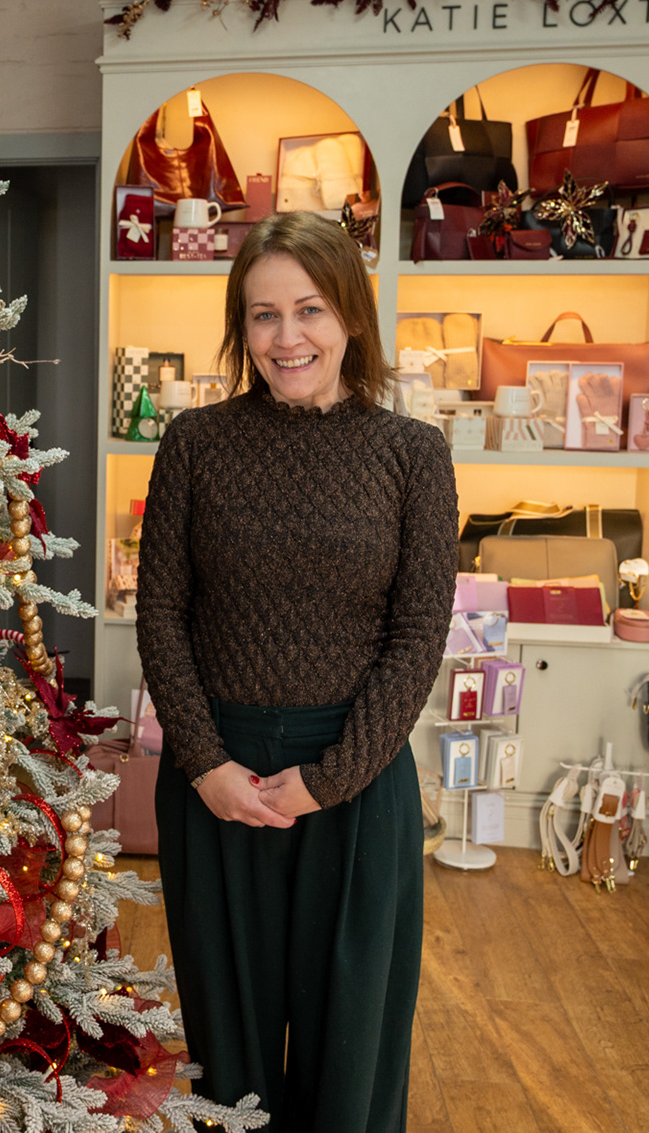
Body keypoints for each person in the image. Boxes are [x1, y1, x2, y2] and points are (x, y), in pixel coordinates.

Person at [135, 211, 457, 1132]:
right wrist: (204, 763)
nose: (287, 339)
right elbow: (162, 614)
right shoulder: (196, 442)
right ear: (242, 326)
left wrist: (328, 780)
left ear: (351, 313)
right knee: (225, 1062)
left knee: (351, 1057)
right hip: (216, 781)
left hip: (354, 789)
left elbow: (416, 636)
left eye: (309, 310)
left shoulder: (411, 455)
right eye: (263, 316)